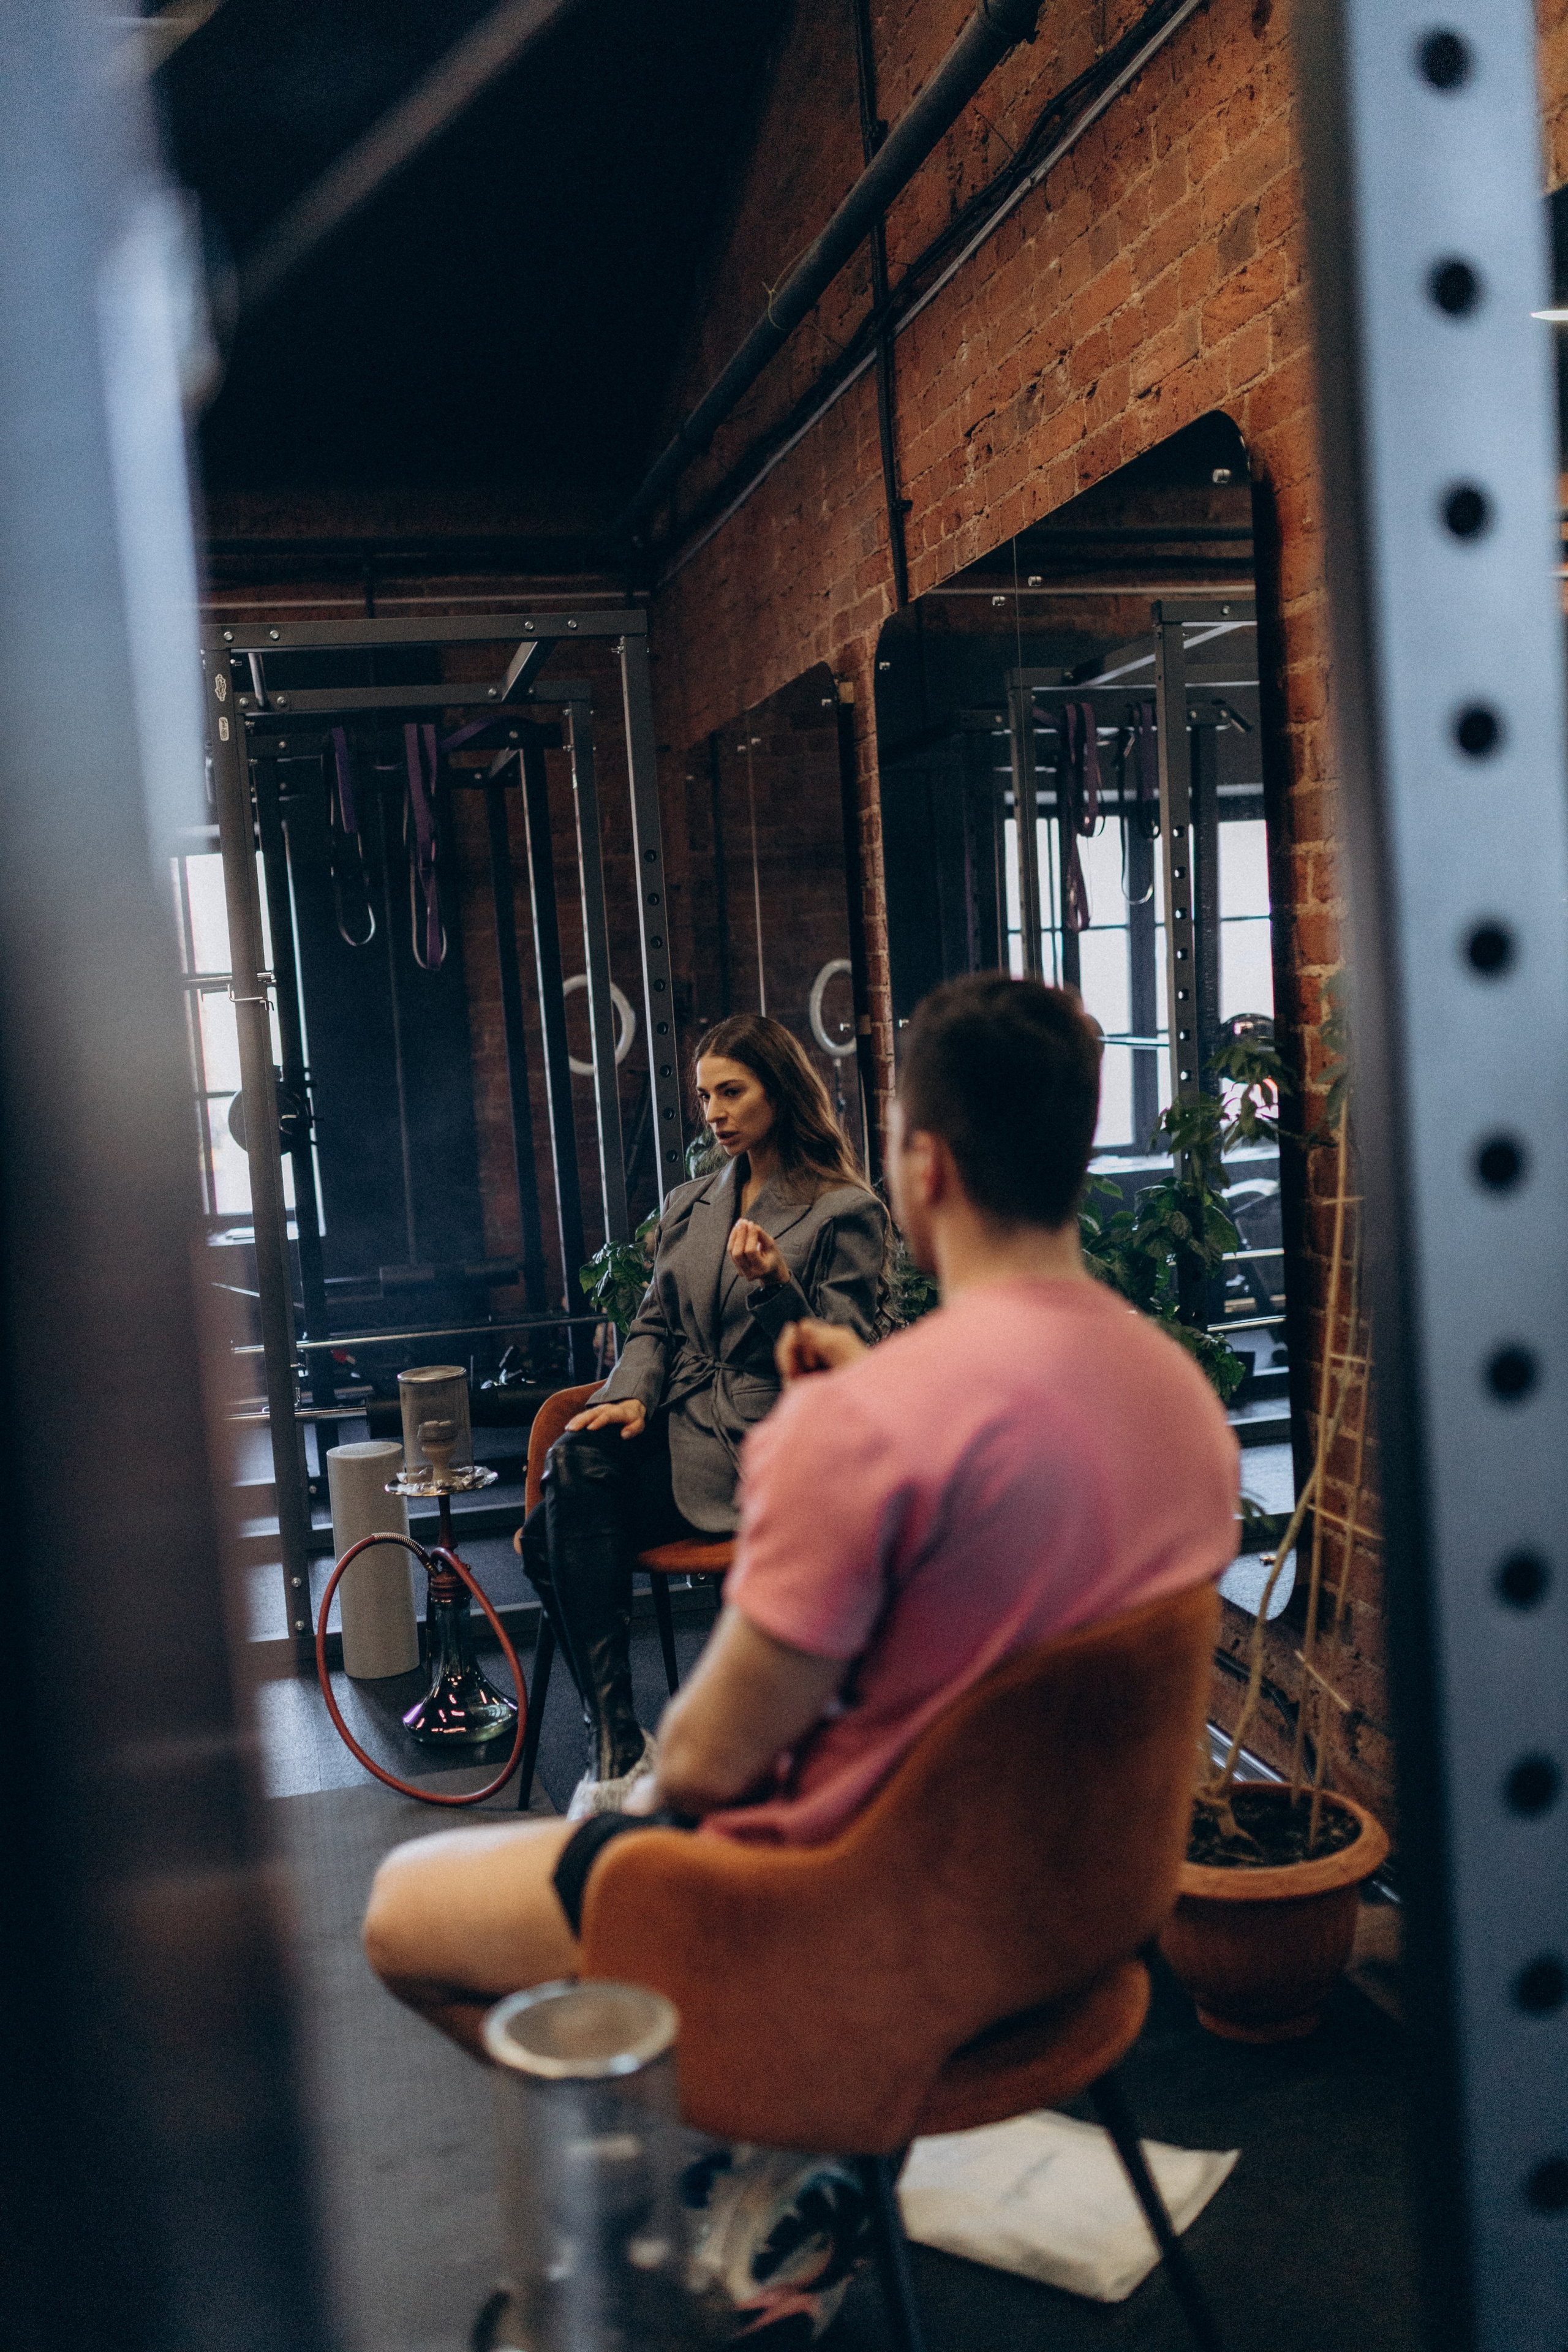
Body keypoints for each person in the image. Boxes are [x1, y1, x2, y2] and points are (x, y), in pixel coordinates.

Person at [363, 973, 1238, 2054]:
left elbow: (705, 1765)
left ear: (927, 1166)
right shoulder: (1188, 1406)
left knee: (401, 1907)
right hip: (1074, 1933)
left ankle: (702, 2137)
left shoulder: (858, 1429)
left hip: (847, 1923)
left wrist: (627, 1842)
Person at [516, 1012, 887, 1817]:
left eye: (731, 1092)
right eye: (704, 1096)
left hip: (761, 1443)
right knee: (572, 1467)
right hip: (671, 1418)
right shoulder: (690, 1202)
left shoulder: (844, 1211)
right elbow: (652, 1324)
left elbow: (842, 1362)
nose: (713, 1112)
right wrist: (627, 1397)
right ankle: (619, 1745)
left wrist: (774, 1284)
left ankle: (624, 1759)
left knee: (556, 1534)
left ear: (780, 1092)